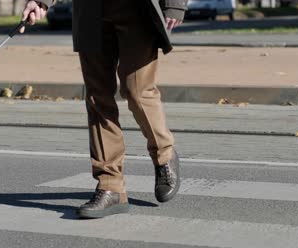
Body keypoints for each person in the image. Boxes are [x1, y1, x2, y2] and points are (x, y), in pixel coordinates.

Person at [21, 0, 187, 218]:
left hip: (138, 10)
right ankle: (111, 186)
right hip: (91, 11)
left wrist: (174, 4)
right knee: (98, 98)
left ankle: (164, 155)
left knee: (137, 91)